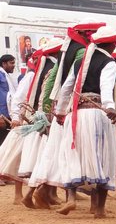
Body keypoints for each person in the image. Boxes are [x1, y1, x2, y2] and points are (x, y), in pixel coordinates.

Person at [26, 19, 105, 209]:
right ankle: (41, 192)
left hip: (60, 106)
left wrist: (49, 106)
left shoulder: (69, 50)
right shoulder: (82, 53)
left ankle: (37, 193)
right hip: (70, 108)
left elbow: (54, 79)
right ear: (88, 34)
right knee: (62, 153)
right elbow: (71, 82)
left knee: (53, 152)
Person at [54, 26, 116, 218]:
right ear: (110, 45)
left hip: (76, 115)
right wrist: (110, 107)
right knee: (102, 158)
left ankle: (70, 199)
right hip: (97, 115)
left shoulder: (80, 62)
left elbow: (67, 87)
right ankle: (98, 209)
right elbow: (106, 86)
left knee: (74, 156)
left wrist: (61, 112)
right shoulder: (108, 62)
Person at [0, 39, 62, 203]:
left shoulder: (49, 72)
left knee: (41, 156)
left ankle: (48, 194)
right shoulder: (31, 75)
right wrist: (15, 118)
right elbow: (17, 98)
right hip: (27, 119)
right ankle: (18, 195)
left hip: (40, 118)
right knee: (21, 157)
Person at [0, 53, 17, 147]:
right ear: (4, 64)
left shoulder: (7, 76)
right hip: (2, 117)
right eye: (11, 63)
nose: (14, 65)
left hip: (8, 115)